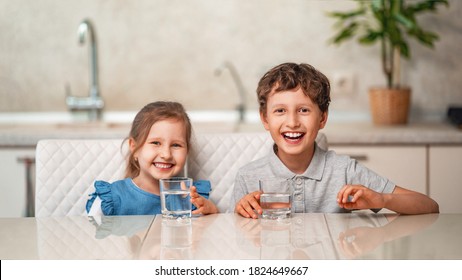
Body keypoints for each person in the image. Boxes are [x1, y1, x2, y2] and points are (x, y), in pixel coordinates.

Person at [230, 62, 439, 218]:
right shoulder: (248, 177)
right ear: (265, 118)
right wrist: (241, 212)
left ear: (322, 118)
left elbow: (429, 205)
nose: (292, 122)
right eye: (280, 111)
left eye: (303, 110)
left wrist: (381, 199)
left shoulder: (345, 170)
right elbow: (234, 236)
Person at [86, 101, 218, 216]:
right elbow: (90, 236)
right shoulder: (113, 198)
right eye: (156, 143)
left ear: (187, 151)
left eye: (176, 145)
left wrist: (211, 210)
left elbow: (213, 232)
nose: (166, 154)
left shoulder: (192, 197)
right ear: (134, 147)